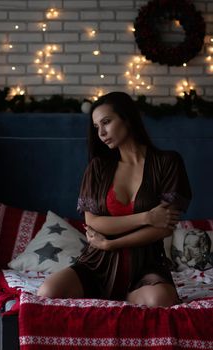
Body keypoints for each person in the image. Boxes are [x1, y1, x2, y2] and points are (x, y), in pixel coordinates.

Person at [37, 91, 192, 307]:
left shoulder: (167, 163)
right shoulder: (98, 168)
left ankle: (127, 297)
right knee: (47, 292)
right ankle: (107, 294)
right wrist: (147, 216)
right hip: (97, 263)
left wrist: (112, 244)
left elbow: (164, 227)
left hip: (145, 265)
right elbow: (93, 222)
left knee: (161, 300)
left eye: (106, 122)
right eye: (96, 127)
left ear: (127, 118)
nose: (101, 132)